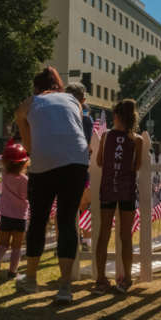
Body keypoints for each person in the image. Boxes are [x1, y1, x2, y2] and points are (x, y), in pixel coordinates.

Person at [14, 67, 90, 302]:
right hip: (77, 160)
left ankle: (30, 278)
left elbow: (27, 143)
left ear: (36, 88)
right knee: (67, 220)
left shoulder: (29, 103)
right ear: (58, 85)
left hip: (45, 161)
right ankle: (65, 286)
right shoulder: (73, 101)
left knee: (38, 219)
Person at [93, 99, 143, 294]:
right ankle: (127, 279)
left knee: (103, 235)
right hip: (127, 191)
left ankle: (100, 280)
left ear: (116, 117)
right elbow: (137, 167)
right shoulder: (137, 140)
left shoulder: (105, 136)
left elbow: (98, 162)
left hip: (107, 189)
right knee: (126, 236)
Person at [0, 139, 30, 283]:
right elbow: (26, 195)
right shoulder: (24, 180)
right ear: (24, 164)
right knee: (16, 246)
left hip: (5, 216)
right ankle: (12, 272)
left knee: (3, 244)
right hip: (19, 217)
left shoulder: (5, 175)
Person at [65, 82, 94, 250]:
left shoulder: (58, 116)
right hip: (81, 168)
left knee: (65, 209)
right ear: (83, 100)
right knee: (84, 207)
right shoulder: (87, 119)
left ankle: (65, 242)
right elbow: (89, 144)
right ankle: (86, 242)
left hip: (59, 166)